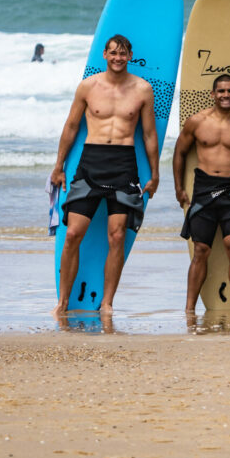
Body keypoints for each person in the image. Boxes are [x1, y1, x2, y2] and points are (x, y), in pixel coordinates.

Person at [51, 34, 158, 316]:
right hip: (91, 163)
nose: (118, 58)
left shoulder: (143, 89)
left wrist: (155, 172)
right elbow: (71, 127)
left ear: (130, 56)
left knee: (117, 235)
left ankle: (107, 303)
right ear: (104, 55)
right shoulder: (88, 86)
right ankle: (62, 302)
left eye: (123, 54)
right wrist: (59, 166)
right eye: (113, 53)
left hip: (124, 165)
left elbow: (148, 134)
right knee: (73, 233)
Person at [173, 74, 230, 315]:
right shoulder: (196, 122)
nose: (226, 95)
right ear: (213, 94)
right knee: (200, 250)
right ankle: (189, 309)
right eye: (222, 91)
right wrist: (179, 188)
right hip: (203, 191)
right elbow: (179, 153)